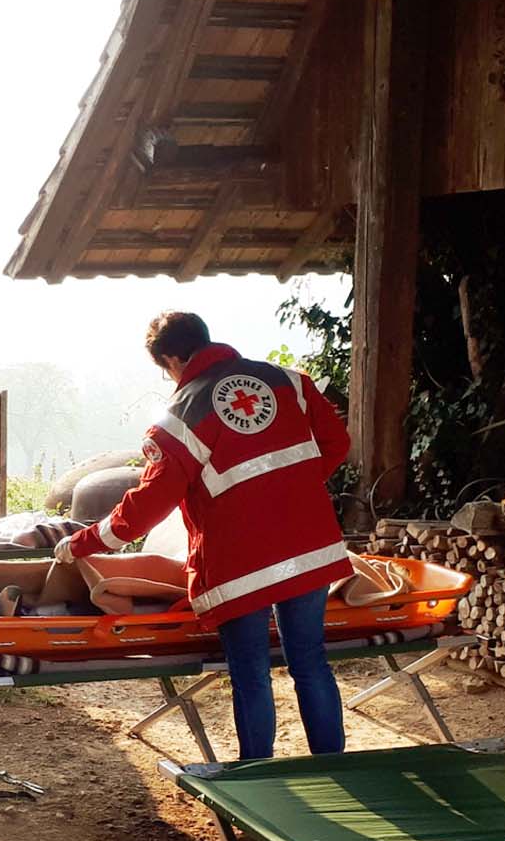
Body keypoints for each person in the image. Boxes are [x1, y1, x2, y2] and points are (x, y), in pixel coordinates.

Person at [55, 311, 351, 759]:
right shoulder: (288, 382)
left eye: (165, 370)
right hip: (309, 547)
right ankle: (334, 766)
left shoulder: (179, 419)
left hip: (240, 563)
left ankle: (257, 776)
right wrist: (291, 492)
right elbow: (336, 443)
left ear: (172, 360)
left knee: (251, 673)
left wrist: (82, 542)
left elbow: (145, 509)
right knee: (310, 662)